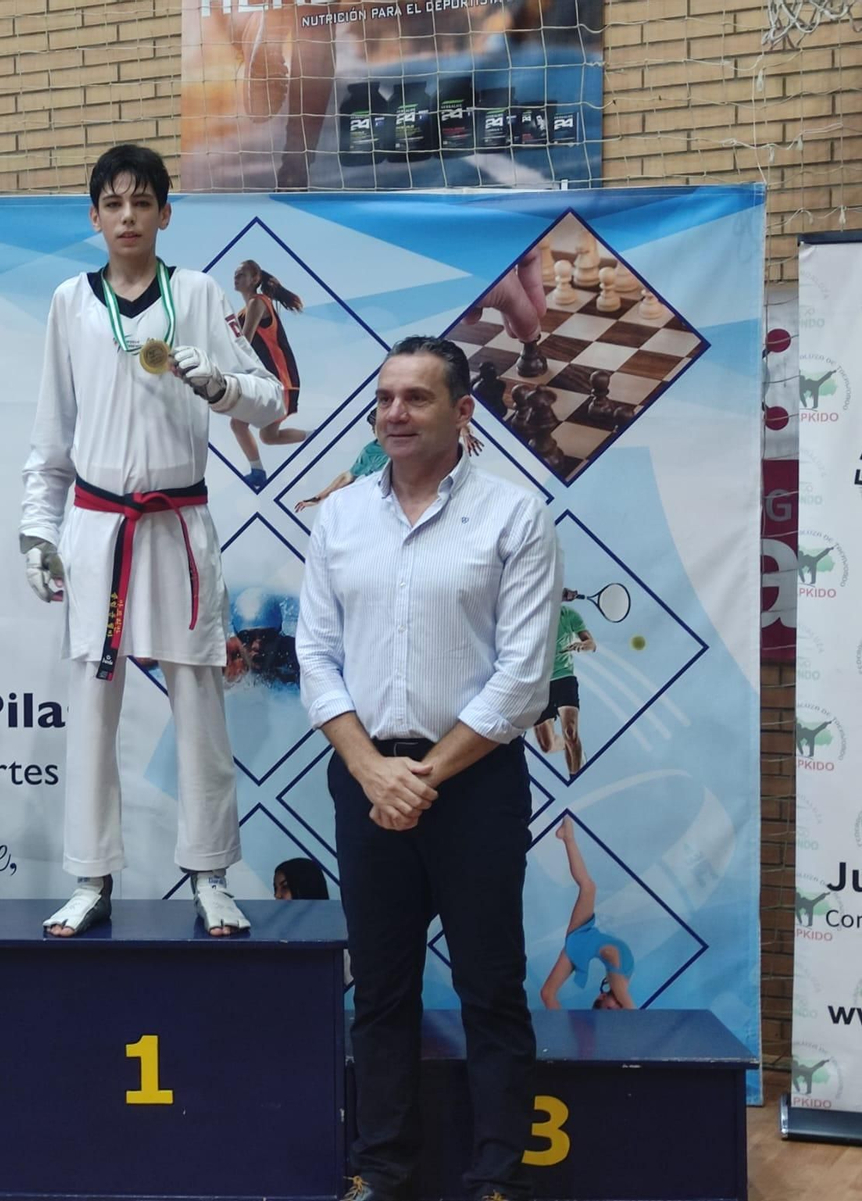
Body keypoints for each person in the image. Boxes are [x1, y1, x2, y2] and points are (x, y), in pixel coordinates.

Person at [296, 336, 560, 1201]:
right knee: (379, 988)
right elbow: (316, 656)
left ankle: (498, 1177)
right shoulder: (338, 518)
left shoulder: (515, 516)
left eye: (416, 398)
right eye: (384, 399)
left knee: (491, 985)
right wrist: (373, 769)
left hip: (474, 782)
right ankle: (383, 1169)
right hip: (365, 778)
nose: (395, 414)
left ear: (463, 413)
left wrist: (425, 775)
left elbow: (523, 679)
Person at [20, 144, 285, 937]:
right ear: (95, 216)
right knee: (92, 703)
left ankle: (209, 871)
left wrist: (220, 383)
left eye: (143, 203)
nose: (128, 217)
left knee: (200, 700)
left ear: (166, 213)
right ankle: (91, 874)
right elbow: (50, 434)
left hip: (177, 523)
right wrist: (39, 529)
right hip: (100, 527)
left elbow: (269, 404)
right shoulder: (72, 300)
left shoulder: (198, 294)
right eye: (113, 204)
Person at [295, 409, 481, 513]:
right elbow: (347, 476)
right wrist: (319, 497)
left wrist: (465, 433)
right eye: (376, 428)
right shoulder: (370, 451)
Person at [539, 815, 637, 1010]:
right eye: (616, 1010)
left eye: (609, 1009)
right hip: (586, 938)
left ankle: (568, 837)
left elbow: (633, 1015)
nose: (617, 1008)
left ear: (601, 997)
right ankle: (567, 837)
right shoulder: (621, 984)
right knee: (588, 887)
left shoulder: (617, 984)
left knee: (547, 994)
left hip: (581, 941)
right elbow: (633, 1015)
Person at [231, 260, 307, 490]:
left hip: (279, 380)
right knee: (268, 436)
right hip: (268, 380)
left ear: (255, 279)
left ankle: (258, 472)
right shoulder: (245, 310)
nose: (236, 278)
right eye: (235, 274)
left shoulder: (257, 303)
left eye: (241, 274)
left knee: (238, 424)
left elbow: (243, 343)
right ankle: (314, 437)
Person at [533, 590, 595, 777]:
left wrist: (581, 645)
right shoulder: (529, 615)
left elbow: (591, 643)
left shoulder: (569, 615)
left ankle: (576, 776)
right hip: (538, 685)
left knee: (570, 732)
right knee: (547, 745)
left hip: (564, 678)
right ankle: (570, 746)